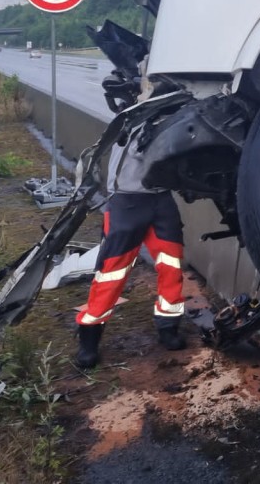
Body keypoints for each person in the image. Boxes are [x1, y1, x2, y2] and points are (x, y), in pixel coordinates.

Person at [74, 125, 187, 369]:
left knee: (172, 264)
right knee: (111, 272)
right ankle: (89, 335)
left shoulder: (172, 113)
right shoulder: (134, 116)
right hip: (126, 200)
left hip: (161, 199)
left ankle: (168, 325)